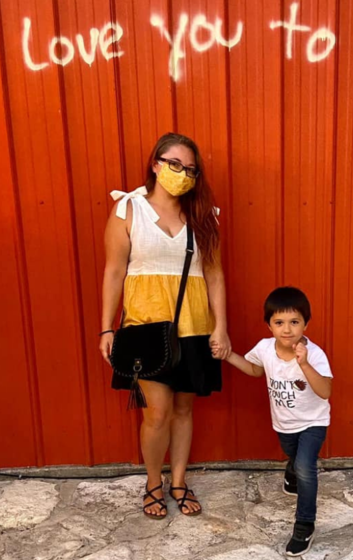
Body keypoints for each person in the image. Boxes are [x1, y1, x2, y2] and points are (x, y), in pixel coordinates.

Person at [99, 133, 231, 519]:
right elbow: (113, 271)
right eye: (175, 164)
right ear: (156, 164)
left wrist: (220, 327)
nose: (183, 174)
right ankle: (153, 483)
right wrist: (106, 328)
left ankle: (178, 480)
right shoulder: (128, 210)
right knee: (156, 412)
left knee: (184, 409)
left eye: (190, 169)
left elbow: (215, 274)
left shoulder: (203, 214)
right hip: (144, 326)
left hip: (193, 324)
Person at [218, 287, 333, 557]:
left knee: (306, 467)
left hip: (314, 422)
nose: (287, 329)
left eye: (295, 322)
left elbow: (325, 391)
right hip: (284, 424)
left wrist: (304, 364)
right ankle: (291, 472)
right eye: (279, 322)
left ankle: (304, 524)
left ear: (306, 324)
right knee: (293, 456)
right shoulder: (264, 348)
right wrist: (229, 356)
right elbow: (256, 369)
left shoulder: (314, 354)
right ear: (269, 325)